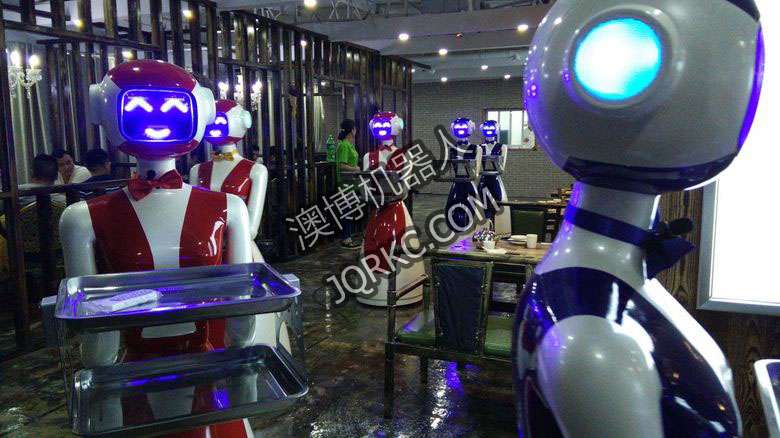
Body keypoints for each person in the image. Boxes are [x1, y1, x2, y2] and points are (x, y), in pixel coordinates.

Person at [335, 119, 361, 249]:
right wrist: (355, 169)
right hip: (345, 184)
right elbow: (341, 165)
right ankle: (346, 238)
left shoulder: (350, 145)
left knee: (350, 210)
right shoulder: (344, 145)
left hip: (351, 183)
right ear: (352, 130)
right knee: (346, 211)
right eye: (355, 128)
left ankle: (349, 236)